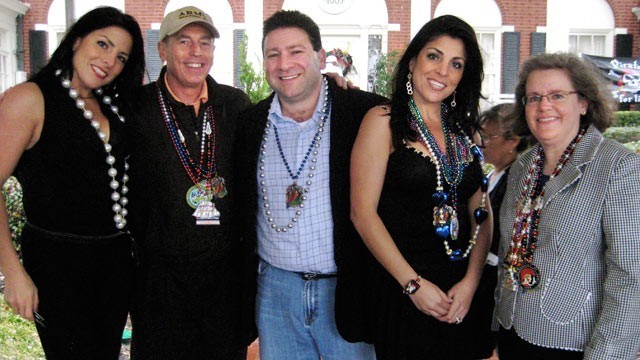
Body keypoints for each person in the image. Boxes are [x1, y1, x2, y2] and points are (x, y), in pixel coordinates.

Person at [235, 10, 386, 359]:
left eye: (296, 51)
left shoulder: (363, 113)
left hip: (346, 291)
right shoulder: (249, 124)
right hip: (275, 294)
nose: (284, 63)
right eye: (274, 54)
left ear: (320, 57)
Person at [0, 6, 145, 359]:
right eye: (103, 44)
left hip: (113, 263)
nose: (109, 61)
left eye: (121, 56)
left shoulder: (112, 104)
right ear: (77, 39)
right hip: (57, 265)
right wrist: (13, 273)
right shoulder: (31, 98)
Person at [350, 15, 493, 359]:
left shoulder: (465, 132)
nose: (442, 71)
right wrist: (412, 285)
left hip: (460, 293)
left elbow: (482, 213)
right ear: (413, 60)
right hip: (404, 291)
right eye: (434, 56)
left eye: (455, 64)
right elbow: (362, 213)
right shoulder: (383, 121)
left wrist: (471, 282)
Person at [125, 6, 255, 359]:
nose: (196, 53)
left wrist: (334, 87)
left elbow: (289, 111)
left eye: (205, 43)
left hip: (224, 286)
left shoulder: (235, 105)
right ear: (163, 50)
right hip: (159, 287)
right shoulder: (135, 108)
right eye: (184, 42)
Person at [495, 52, 640, 359]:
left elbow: (632, 277)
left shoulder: (619, 167)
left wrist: (606, 355)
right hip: (514, 333)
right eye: (533, 97)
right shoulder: (523, 167)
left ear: (584, 103)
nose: (543, 106)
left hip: (574, 343)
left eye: (557, 95)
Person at [472, 102, 526, 358]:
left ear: (512, 141)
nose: (480, 143)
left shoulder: (517, 179)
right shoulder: (497, 174)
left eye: (487, 136)